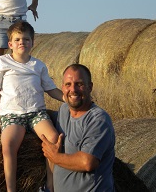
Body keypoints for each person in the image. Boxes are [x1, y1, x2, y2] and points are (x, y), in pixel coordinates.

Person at [0, 21, 63, 192]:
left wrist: (69, 99)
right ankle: (12, 190)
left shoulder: (38, 66)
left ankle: (50, 187)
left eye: (26, 39)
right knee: (8, 144)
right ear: (10, 44)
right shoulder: (2, 62)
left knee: (54, 139)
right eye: (17, 39)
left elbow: (52, 90)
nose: (22, 42)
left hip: (36, 113)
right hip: (12, 115)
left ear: (32, 43)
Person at [41, 64, 116, 192]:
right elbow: (47, 116)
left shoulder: (98, 120)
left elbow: (88, 162)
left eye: (79, 84)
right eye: (68, 84)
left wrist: (55, 157)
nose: (73, 89)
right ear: (62, 87)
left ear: (90, 87)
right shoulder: (64, 110)